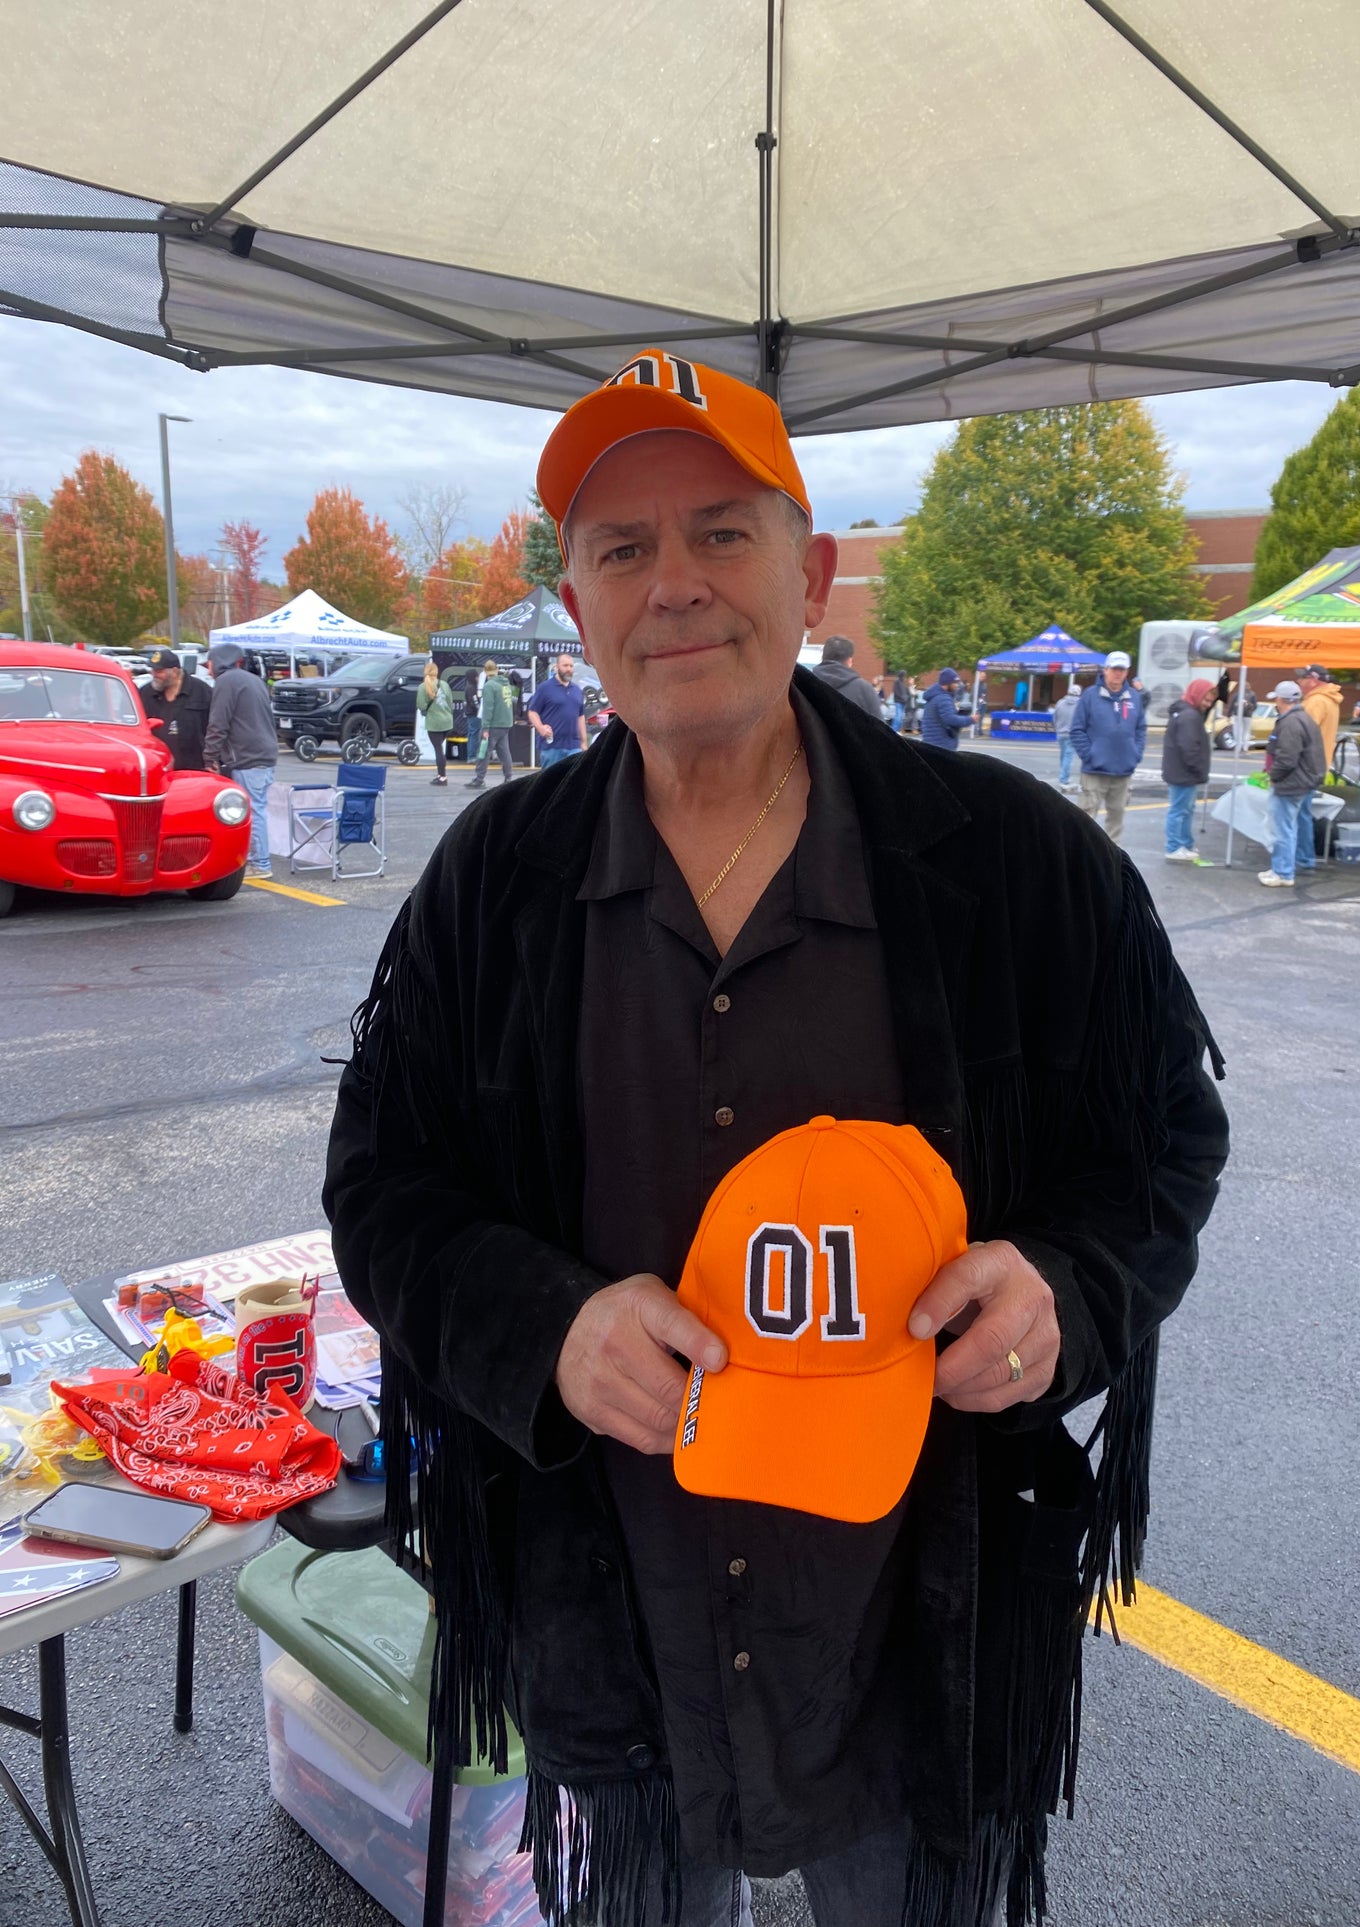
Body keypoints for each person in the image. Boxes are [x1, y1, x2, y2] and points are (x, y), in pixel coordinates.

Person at [325, 350, 1227, 1927]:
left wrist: (1067, 1288)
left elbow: (1162, 1135)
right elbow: (384, 1186)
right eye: (623, 547)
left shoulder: (1010, 865)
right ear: (578, 606)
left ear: (810, 576)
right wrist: (545, 1327)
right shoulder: (495, 882)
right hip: (619, 1623)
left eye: (720, 532)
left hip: (917, 1631)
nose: (672, 582)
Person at [203, 642, 278, 879]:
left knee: (252, 810)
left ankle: (260, 863)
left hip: (248, 757)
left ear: (218, 662)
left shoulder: (227, 682)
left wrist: (210, 758)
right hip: (264, 754)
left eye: (209, 664)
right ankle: (257, 860)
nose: (208, 670)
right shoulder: (254, 680)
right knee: (257, 808)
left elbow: (218, 723)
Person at [1070, 651, 1148, 842]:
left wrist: (1135, 754)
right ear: (1105, 670)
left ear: (1127, 672)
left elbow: (1140, 729)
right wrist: (1089, 755)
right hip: (1094, 772)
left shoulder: (1134, 697)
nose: (1117, 673)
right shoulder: (1090, 696)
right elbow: (1077, 730)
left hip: (1123, 772)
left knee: (1116, 821)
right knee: (1085, 820)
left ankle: (1113, 857)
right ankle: (1083, 856)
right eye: (1114, 669)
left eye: (1122, 670)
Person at [1259, 679, 1326, 887]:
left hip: (1290, 783)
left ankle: (1283, 872)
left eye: (1277, 699)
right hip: (1304, 781)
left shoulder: (1290, 723)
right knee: (1289, 827)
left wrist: (1273, 776)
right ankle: (1283, 868)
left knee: (1282, 830)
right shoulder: (1304, 718)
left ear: (1281, 699)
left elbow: (1287, 759)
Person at [1161, 678, 1216, 863]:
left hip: (1181, 772)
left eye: (1210, 701)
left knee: (1184, 810)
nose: (1208, 704)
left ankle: (1183, 844)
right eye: (1206, 700)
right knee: (1180, 811)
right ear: (1197, 695)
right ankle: (1174, 846)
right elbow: (1189, 748)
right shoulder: (1190, 716)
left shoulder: (1184, 713)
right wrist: (1199, 770)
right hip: (1184, 773)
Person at [138, 647, 210, 771]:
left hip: (195, 768)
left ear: (175, 672)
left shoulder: (202, 691)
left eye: (159, 671)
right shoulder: (145, 693)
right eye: (153, 670)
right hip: (158, 767)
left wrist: (213, 760)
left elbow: (216, 728)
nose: (154, 674)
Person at [528, 651, 588, 766]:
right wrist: (540, 728)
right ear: (556, 667)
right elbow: (532, 712)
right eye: (565, 665)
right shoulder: (545, 688)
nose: (569, 669)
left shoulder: (577, 690)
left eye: (571, 666)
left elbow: (580, 717)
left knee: (573, 777)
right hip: (552, 747)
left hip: (574, 746)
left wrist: (584, 743)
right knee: (551, 777)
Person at [465, 658, 516, 789]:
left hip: (493, 724)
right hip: (505, 724)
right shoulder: (506, 684)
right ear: (497, 670)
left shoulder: (489, 686)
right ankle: (508, 777)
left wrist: (485, 727)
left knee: (483, 752)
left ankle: (479, 779)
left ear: (485, 672)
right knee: (504, 752)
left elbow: (488, 708)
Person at [812, 634, 884, 718]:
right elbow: (879, 724)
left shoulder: (805, 685)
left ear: (823, 658)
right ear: (850, 661)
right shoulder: (864, 690)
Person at [1298, 662, 1343, 772]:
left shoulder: (1315, 702)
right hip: (1320, 762)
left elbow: (1302, 733)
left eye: (1303, 678)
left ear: (1313, 681)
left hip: (1307, 765)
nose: (1299, 681)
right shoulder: (1328, 699)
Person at [417, 659, 455, 785]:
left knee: (438, 750)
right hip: (447, 722)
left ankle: (442, 777)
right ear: (437, 672)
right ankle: (441, 775)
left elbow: (421, 705)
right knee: (440, 749)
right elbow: (450, 702)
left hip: (434, 723)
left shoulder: (423, 687)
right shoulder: (444, 684)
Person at [918, 667, 969, 749]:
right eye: (954, 682)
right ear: (947, 683)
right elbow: (951, 719)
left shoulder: (934, 696)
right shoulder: (943, 698)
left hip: (932, 742)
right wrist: (970, 719)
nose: (957, 685)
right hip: (941, 744)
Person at [1052, 681, 1082, 788]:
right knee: (1068, 756)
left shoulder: (1060, 703)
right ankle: (1064, 779)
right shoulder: (1080, 704)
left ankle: (1063, 775)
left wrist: (1057, 728)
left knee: (1063, 755)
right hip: (1072, 734)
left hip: (1060, 733)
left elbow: (1055, 717)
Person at [462, 668, 483, 768]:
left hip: (470, 714)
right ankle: (472, 756)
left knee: (471, 734)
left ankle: (471, 755)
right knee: (474, 734)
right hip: (474, 714)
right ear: (474, 677)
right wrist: (480, 711)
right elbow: (475, 702)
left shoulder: (468, 687)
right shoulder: (472, 688)